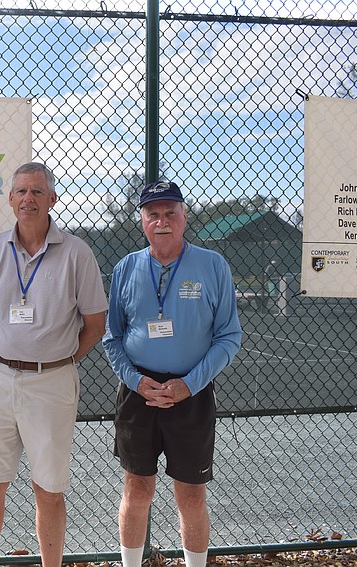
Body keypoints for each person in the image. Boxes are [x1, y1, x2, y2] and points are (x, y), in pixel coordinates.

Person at [0, 162, 108, 567]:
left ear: (52, 199)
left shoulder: (77, 253)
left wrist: (61, 360)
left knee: (48, 489)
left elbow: (95, 323)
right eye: (22, 192)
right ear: (11, 199)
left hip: (52, 384)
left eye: (38, 192)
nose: (29, 199)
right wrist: (10, 352)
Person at [102, 180, 242, 567]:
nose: (161, 221)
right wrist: (135, 380)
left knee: (191, 495)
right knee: (138, 489)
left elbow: (229, 337)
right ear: (142, 221)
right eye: (153, 214)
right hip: (138, 392)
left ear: (184, 217)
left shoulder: (212, 265)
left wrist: (188, 384)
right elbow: (112, 338)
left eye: (169, 213)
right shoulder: (126, 267)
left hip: (191, 392)